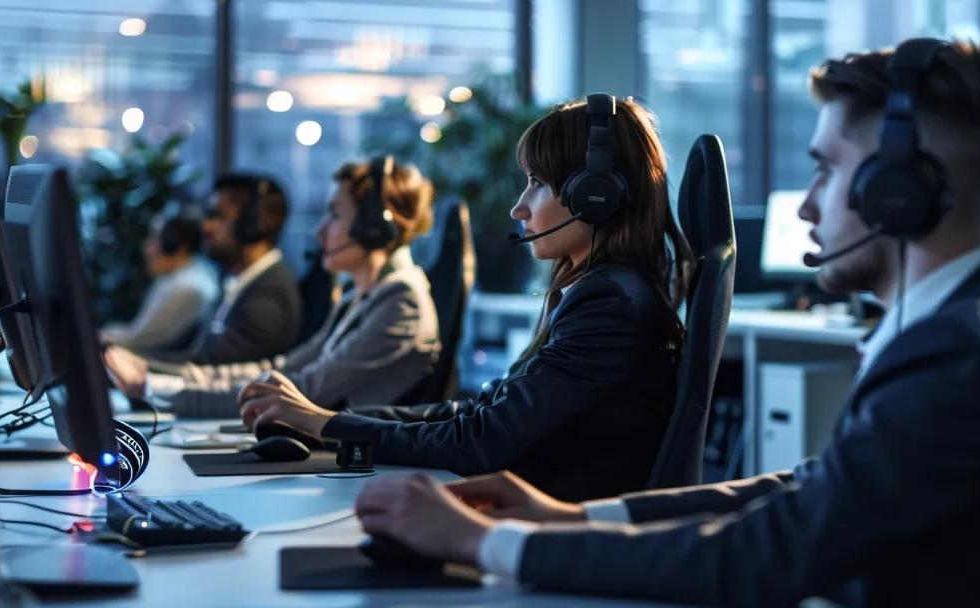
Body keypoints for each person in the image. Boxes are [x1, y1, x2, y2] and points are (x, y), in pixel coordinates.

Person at [347, 40, 980, 607]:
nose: (808, 203)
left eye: (827, 168)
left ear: (900, 192)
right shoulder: (976, 328)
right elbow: (807, 490)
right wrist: (579, 516)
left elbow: (770, 557)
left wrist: (488, 543)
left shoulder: (968, 354)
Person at [237, 96, 694, 502]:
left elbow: (482, 440)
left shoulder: (610, 304)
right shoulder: (602, 293)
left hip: (548, 530)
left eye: (537, 182)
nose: (519, 207)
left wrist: (323, 425)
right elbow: (478, 411)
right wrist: (326, 422)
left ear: (596, 196)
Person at [110, 157, 442, 416]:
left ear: (373, 230)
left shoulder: (401, 301)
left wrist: (155, 387)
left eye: (335, 215)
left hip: (361, 477)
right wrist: (157, 381)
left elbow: (305, 391)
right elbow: (281, 370)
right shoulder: (362, 296)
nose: (320, 231)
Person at [103, 174, 301, 408]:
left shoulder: (268, 297)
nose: (205, 227)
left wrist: (142, 368)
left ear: (255, 226)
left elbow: (212, 370)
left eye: (218, 216)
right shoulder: (244, 283)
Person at [99, 206, 218, 354]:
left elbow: (141, 341)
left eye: (155, 239)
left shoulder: (188, 288)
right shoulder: (181, 276)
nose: (146, 248)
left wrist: (99, 336)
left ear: (176, 246)